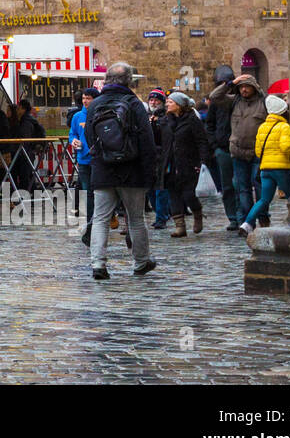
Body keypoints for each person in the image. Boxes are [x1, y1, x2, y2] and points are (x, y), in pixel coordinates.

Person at [83, 61, 158, 280]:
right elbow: (147, 140)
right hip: (132, 170)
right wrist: (149, 172)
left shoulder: (95, 105)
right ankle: (141, 262)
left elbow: (89, 138)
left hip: (103, 170)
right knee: (135, 219)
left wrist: (100, 160)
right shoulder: (134, 104)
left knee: (100, 219)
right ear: (128, 81)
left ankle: (98, 264)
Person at [209, 73, 269, 229]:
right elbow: (214, 97)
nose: (244, 89)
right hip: (238, 152)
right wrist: (231, 83)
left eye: (247, 86)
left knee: (260, 187)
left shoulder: (263, 103)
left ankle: (262, 216)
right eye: (241, 87)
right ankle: (248, 220)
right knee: (243, 189)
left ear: (254, 88)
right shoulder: (233, 101)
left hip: (257, 153)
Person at [241, 96, 290, 236]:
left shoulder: (262, 127)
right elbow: (286, 146)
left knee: (264, 199)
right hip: (281, 168)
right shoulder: (284, 126)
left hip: (265, 168)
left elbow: (258, 151)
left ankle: (246, 224)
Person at [162, 91, 210, 237]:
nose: (167, 104)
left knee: (189, 194)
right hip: (170, 163)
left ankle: (197, 214)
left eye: (170, 102)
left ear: (179, 105)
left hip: (189, 162)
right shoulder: (166, 120)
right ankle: (180, 226)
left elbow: (201, 141)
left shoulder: (192, 120)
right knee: (174, 194)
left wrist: (202, 161)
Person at [205, 66, 239, 229]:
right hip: (223, 148)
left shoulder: (239, 99)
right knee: (227, 186)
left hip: (239, 147)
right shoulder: (216, 103)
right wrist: (215, 145)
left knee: (240, 184)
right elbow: (209, 124)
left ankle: (243, 214)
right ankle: (233, 216)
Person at [69, 87, 99, 245]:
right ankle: (90, 226)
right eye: (83, 99)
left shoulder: (99, 115)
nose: (85, 101)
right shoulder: (77, 116)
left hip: (98, 160)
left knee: (98, 192)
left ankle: (100, 221)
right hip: (83, 160)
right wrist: (73, 141)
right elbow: (72, 133)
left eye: (88, 98)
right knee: (88, 193)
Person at [147, 88, 172, 229]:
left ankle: (161, 217)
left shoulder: (165, 117)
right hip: (150, 157)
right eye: (151, 100)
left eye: (156, 100)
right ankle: (161, 213)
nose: (153, 102)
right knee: (150, 189)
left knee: (161, 188)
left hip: (162, 156)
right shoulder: (147, 116)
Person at [10, 99, 45, 191]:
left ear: (23, 109)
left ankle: (25, 195)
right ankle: (31, 194)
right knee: (28, 175)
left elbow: (25, 139)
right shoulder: (29, 120)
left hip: (24, 153)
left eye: (18, 108)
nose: (17, 111)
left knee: (25, 176)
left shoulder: (26, 121)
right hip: (28, 152)